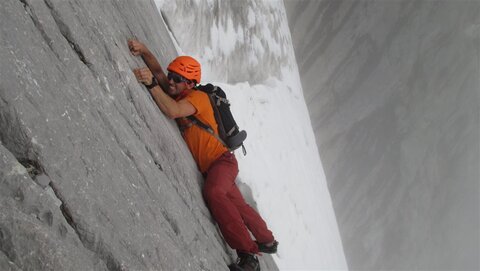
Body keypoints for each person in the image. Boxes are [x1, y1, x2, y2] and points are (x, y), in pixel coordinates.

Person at [128, 39, 278, 271]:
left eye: (177, 79)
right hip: (218, 164)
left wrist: (151, 86)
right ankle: (267, 240)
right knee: (237, 203)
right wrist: (145, 50)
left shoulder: (196, 99)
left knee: (215, 192)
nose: (171, 81)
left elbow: (172, 111)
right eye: (171, 75)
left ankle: (249, 255)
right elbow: (157, 71)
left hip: (221, 162)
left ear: (190, 83)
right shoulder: (179, 91)